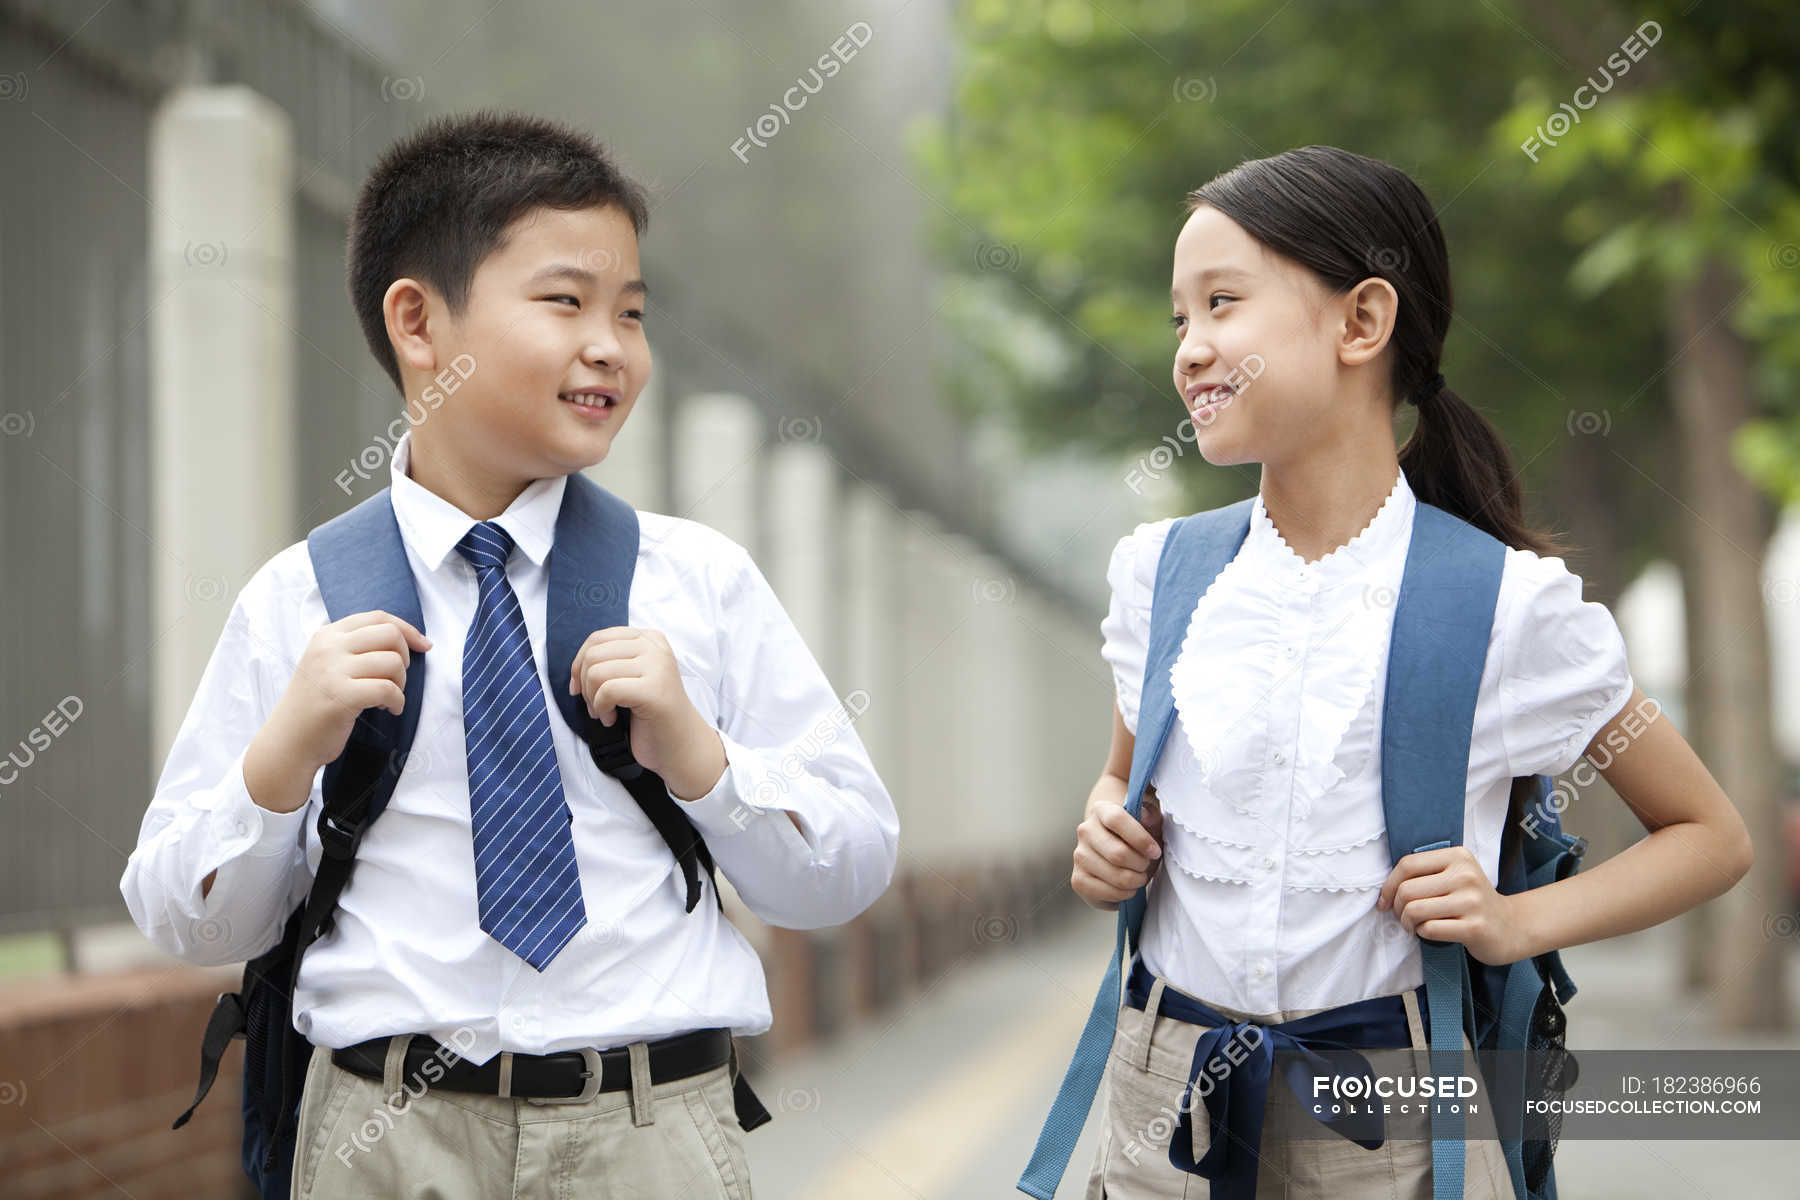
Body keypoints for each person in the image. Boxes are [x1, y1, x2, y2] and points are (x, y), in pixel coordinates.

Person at [120, 110, 899, 1199]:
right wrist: (279, 760)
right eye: (566, 301)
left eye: (630, 312)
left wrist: (704, 759)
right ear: (418, 323)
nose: (611, 347)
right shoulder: (297, 600)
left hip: (650, 1136)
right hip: (384, 1143)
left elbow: (848, 869)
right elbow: (181, 916)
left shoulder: (697, 583)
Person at [1067, 145, 1753, 1198]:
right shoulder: (1160, 576)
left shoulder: (1507, 606)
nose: (1191, 351)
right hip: (1166, 1112)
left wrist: (1517, 922)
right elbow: (1126, 781)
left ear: (1362, 321)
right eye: (1180, 320)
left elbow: (1710, 837)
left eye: (1222, 304)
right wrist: (1109, 829)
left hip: (1395, 1125)